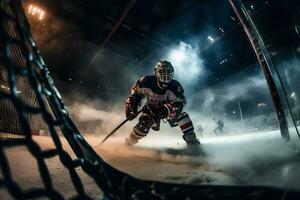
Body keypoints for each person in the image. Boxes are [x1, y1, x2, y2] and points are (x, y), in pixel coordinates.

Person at [124, 60, 202, 153]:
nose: (166, 75)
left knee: (182, 116)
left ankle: (192, 141)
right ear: (156, 72)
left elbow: (179, 104)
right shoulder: (146, 81)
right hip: (151, 108)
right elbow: (136, 94)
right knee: (144, 124)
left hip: (167, 109)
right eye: (162, 72)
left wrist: (167, 110)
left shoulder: (174, 86)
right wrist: (133, 105)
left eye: (168, 72)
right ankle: (129, 142)